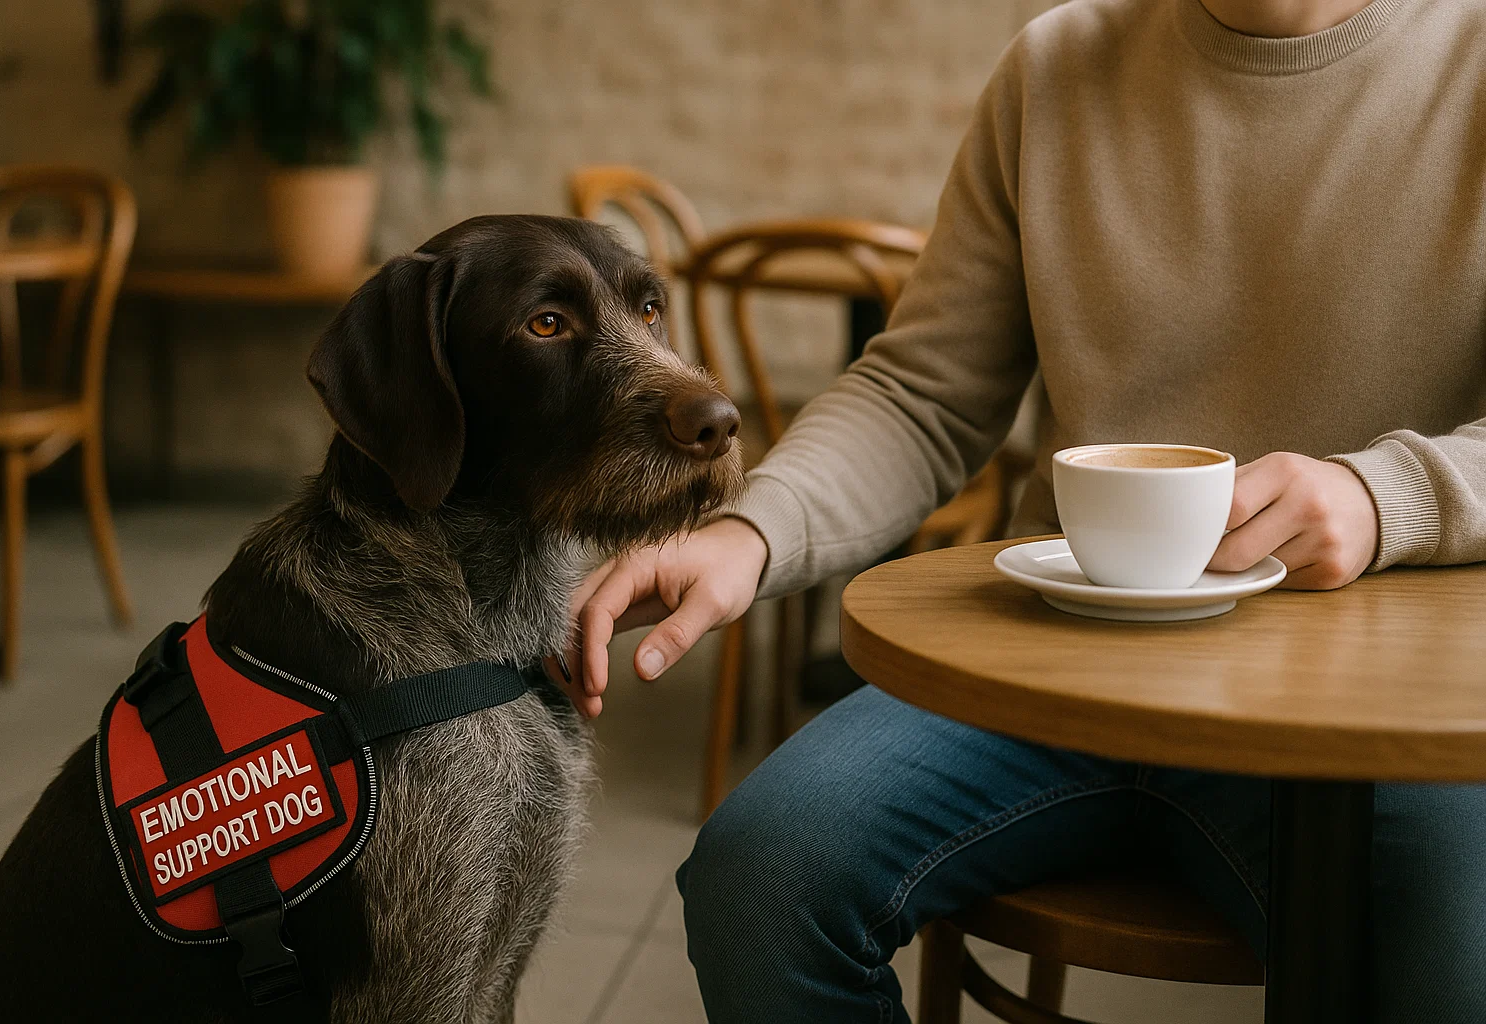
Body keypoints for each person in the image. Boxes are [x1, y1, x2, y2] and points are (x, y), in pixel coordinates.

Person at [558, 0, 1486, 1020]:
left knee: (1455, 959)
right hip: (1059, 670)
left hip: (1370, 707)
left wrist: (1382, 493)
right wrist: (750, 533)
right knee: (761, 877)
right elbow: (923, 396)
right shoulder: (1055, 66)